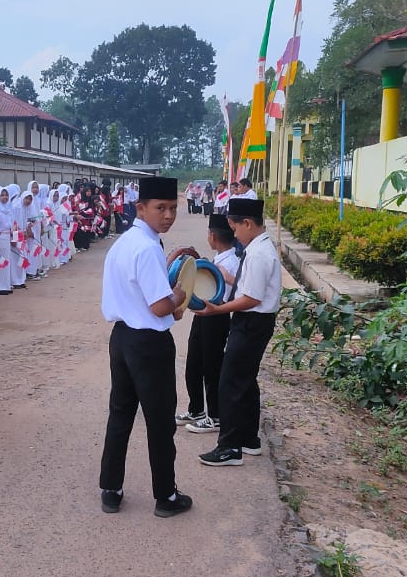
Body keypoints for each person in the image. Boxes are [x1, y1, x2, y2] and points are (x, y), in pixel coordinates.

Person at [97, 175, 193, 518]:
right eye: (160, 208)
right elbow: (159, 306)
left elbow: (139, 289)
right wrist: (179, 294)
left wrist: (167, 271)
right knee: (160, 420)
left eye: (173, 208)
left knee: (120, 414)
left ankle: (111, 488)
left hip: (121, 339)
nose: (168, 215)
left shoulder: (124, 242)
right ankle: (166, 496)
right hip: (149, 345)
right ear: (142, 208)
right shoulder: (149, 247)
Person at [199, 196, 282, 467]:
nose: (233, 235)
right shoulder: (259, 248)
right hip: (255, 322)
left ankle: (230, 447)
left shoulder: (258, 253)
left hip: (251, 322)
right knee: (245, 381)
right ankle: (249, 439)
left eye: (235, 229)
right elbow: (249, 287)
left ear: (247, 223)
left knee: (231, 382)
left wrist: (217, 310)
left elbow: (251, 299)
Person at [179, 213, 242, 434]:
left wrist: (226, 278)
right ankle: (196, 409)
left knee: (211, 368)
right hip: (203, 317)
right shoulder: (220, 260)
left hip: (217, 318)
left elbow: (235, 293)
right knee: (194, 364)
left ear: (212, 236)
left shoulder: (231, 264)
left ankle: (215, 415)